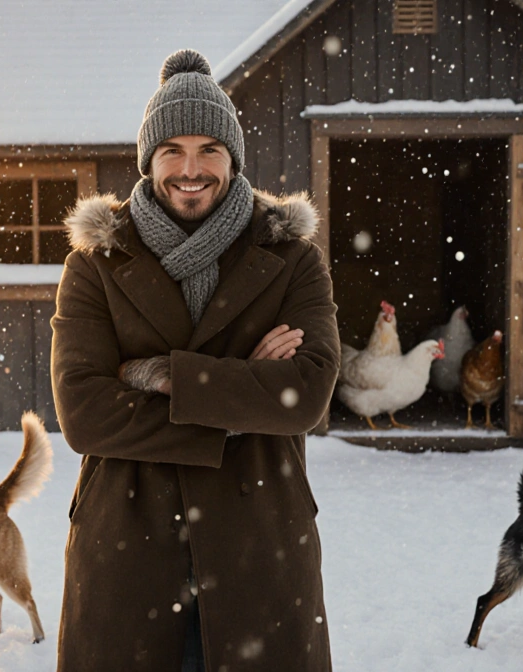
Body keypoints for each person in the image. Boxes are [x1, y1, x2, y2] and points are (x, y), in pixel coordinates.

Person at [51, 49, 340, 672]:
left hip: (260, 536)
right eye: (172, 151)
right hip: (128, 543)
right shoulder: (94, 263)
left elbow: (308, 394)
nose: (191, 169)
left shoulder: (290, 256)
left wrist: (157, 376)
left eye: (210, 149)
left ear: (232, 158)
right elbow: (85, 413)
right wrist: (243, 391)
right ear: (148, 160)